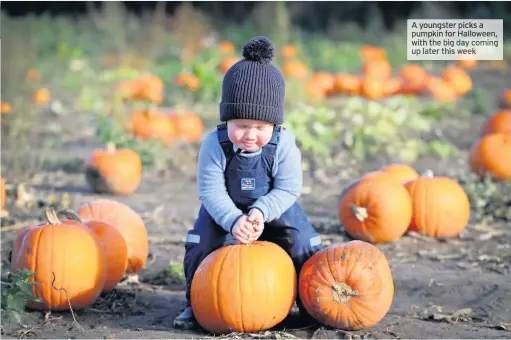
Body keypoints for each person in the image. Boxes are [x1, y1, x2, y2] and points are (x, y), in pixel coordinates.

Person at [173, 36, 323, 330]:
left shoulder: (283, 144)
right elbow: (210, 190)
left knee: (303, 239)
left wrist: (260, 212)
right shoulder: (214, 144)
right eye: (241, 125)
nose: (250, 134)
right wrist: (231, 219)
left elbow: (289, 188)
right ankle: (196, 302)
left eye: (260, 127)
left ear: (274, 125)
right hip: (224, 209)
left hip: (274, 206)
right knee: (201, 240)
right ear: (227, 119)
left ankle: (310, 302)